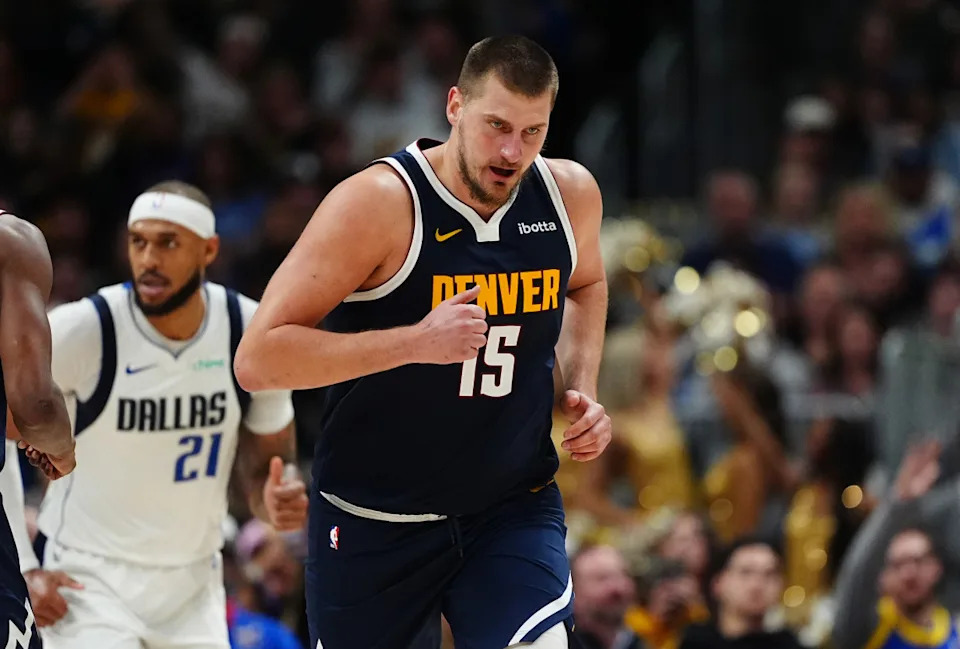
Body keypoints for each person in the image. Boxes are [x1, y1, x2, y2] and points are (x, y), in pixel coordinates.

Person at [235, 35, 612, 649]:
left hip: (509, 507)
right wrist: (413, 343)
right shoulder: (378, 204)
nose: (512, 151)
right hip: (373, 519)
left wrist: (582, 387)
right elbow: (258, 358)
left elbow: (587, 284)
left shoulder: (569, 195)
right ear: (455, 105)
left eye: (533, 131)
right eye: (496, 125)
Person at [6, 182, 304, 649]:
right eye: (138, 241)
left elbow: (270, 467)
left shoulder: (248, 331)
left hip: (193, 588)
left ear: (209, 249)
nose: (148, 259)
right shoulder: (87, 329)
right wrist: (23, 568)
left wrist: (276, 499)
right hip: (88, 583)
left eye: (168, 242)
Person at [679, 538, 803, 649]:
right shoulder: (694, 642)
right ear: (717, 583)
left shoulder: (789, 644)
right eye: (746, 573)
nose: (757, 585)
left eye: (769, 574)